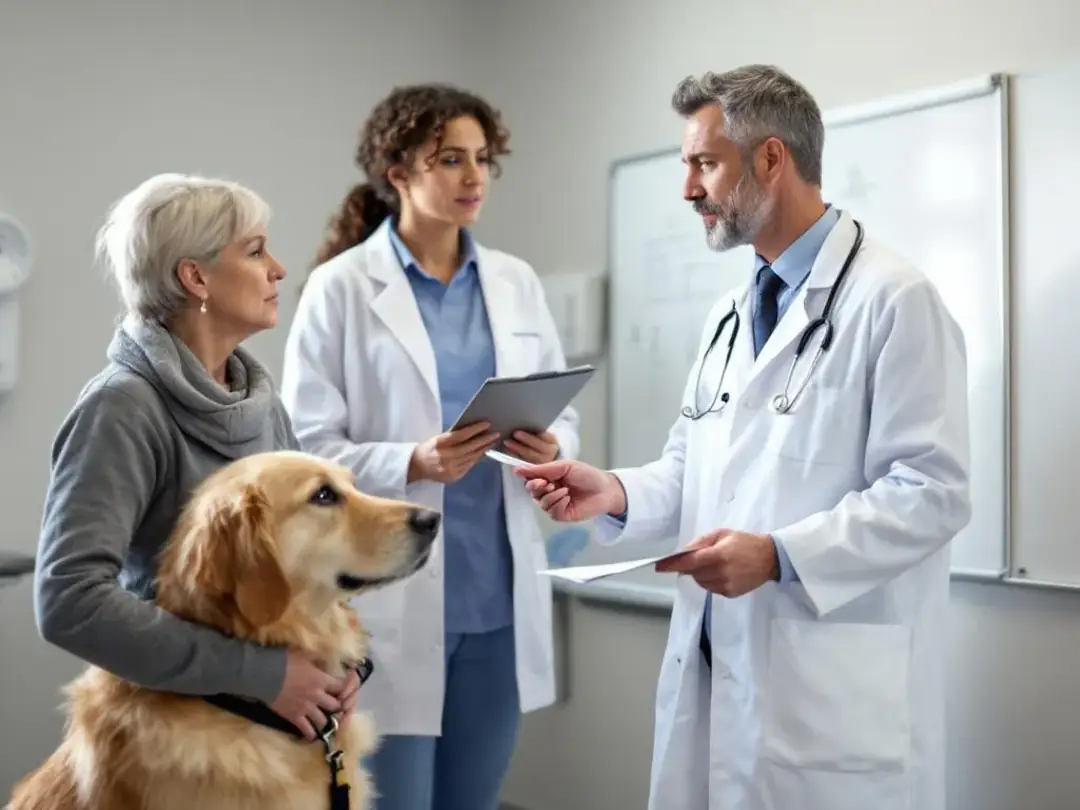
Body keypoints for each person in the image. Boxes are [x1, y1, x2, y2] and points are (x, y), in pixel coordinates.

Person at [516, 64, 972, 810]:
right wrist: (617, 491)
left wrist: (780, 556)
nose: (688, 189)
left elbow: (933, 493)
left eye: (704, 163)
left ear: (770, 158)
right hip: (717, 668)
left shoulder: (894, 301)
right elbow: (695, 466)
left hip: (825, 700)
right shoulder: (731, 313)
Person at [279, 84, 580, 810]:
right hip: (388, 605)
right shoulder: (340, 288)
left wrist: (551, 443)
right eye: (450, 160)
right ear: (399, 171)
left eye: (482, 160)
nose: (473, 177)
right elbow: (304, 452)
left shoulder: (514, 282)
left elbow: (563, 415)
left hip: (497, 603)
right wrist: (412, 462)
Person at [34, 173, 360, 743]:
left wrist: (345, 659)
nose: (278, 269)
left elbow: (314, 555)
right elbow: (70, 599)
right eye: (256, 251)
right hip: (173, 741)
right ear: (195, 276)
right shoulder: (122, 408)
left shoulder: (261, 404)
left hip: (272, 737)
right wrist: (261, 674)